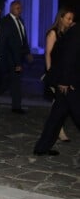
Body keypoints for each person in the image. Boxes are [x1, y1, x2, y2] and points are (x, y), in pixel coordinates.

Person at [33, 21, 80, 156]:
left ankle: (41, 148)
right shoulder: (77, 32)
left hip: (68, 83)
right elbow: (67, 57)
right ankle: (41, 147)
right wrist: (64, 81)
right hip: (69, 84)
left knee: (56, 117)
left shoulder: (74, 31)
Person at [43, 8, 75, 142]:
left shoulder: (68, 34)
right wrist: (50, 74)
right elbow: (48, 54)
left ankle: (54, 130)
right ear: (61, 18)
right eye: (68, 18)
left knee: (61, 103)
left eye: (72, 19)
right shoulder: (53, 33)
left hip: (65, 74)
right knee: (59, 103)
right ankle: (58, 131)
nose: (70, 21)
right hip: (55, 74)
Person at [2, 0, 34, 114]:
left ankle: (16, 105)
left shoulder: (20, 21)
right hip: (10, 58)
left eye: (20, 8)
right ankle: (16, 106)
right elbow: (8, 43)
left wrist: (27, 52)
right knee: (14, 82)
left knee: (15, 81)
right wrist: (16, 62)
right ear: (11, 9)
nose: (19, 10)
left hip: (19, 56)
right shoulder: (6, 21)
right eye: (17, 8)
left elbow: (23, 38)